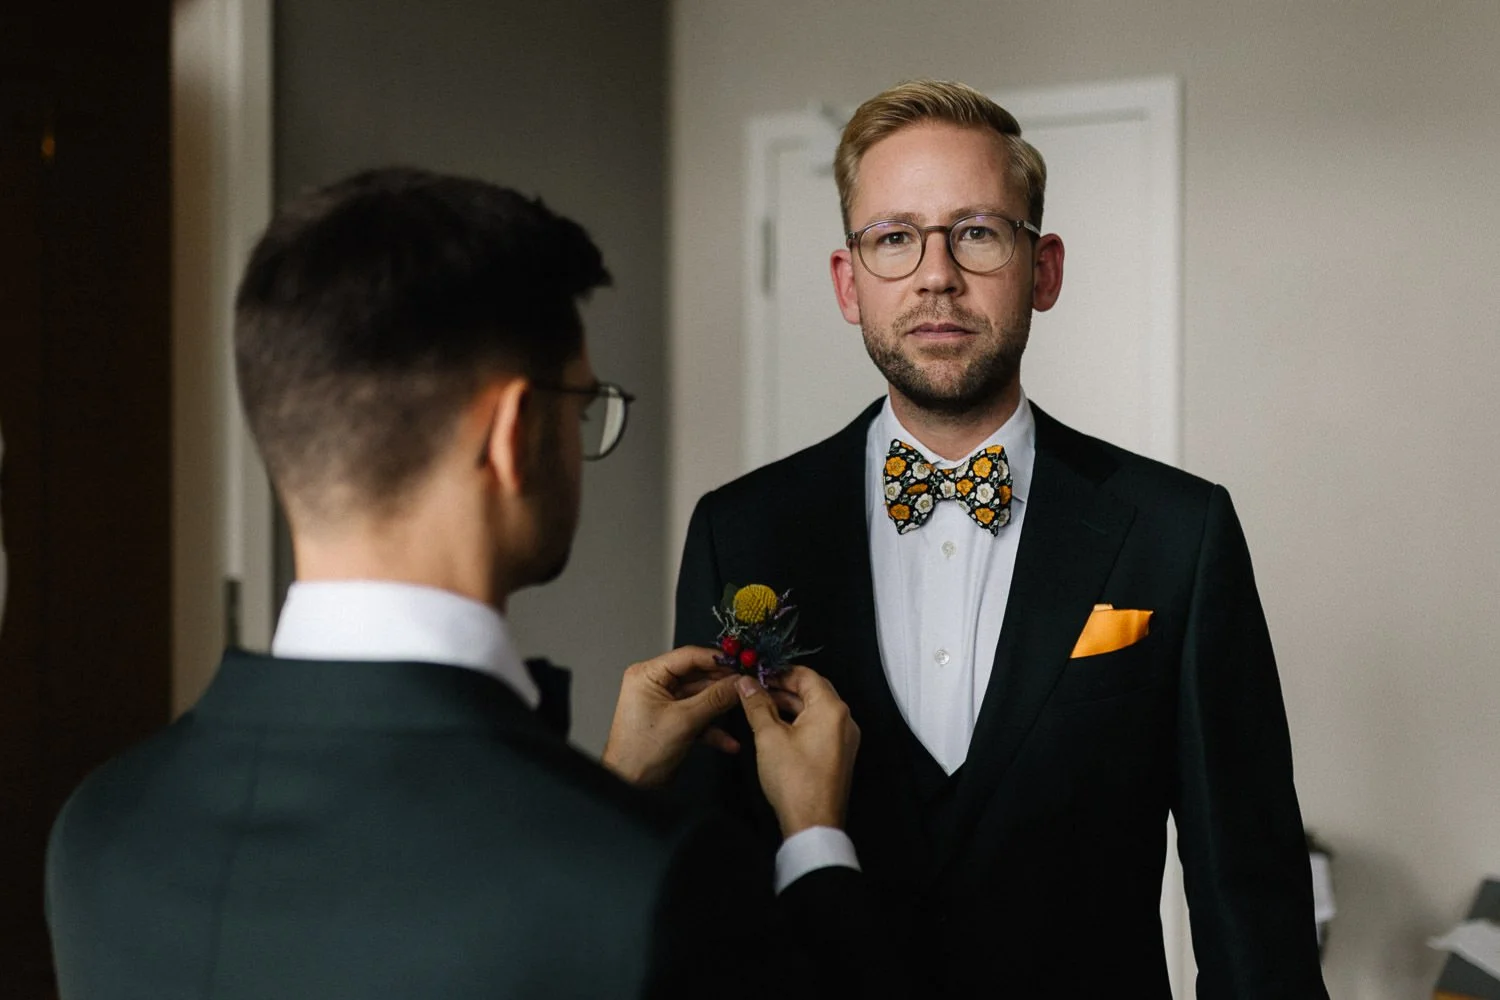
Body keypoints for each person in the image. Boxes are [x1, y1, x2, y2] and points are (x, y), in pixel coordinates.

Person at [45, 168, 871, 999]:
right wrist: (814, 839)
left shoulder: (101, 828)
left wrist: (609, 786)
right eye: (583, 408)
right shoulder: (656, 881)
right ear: (514, 434)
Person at [674, 80, 1329, 997]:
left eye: (976, 231)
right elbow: (706, 877)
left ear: (1044, 268)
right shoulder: (739, 530)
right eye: (895, 237)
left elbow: (1248, 892)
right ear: (846, 282)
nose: (936, 273)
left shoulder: (1180, 531)